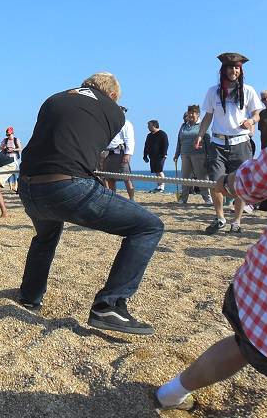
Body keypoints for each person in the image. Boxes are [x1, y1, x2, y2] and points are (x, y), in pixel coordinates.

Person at [155, 101, 267, 415]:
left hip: (257, 300)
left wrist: (227, 183)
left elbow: (252, 183)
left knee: (243, 345)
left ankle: (170, 393)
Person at [17, 72, 164, 335]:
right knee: (149, 227)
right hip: (66, 187)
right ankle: (109, 305)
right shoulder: (115, 113)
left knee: (46, 235)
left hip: (28, 189)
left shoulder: (53, 99)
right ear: (113, 95)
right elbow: (96, 149)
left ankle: (30, 296)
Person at [195, 52, 261, 235]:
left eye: (237, 68)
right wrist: (200, 135)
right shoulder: (213, 91)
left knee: (240, 183)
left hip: (241, 142)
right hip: (218, 143)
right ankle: (220, 218)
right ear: (223, 70)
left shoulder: (248, 90)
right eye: (230, 67)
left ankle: (237, 221)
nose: (234, 71)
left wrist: (251, 121)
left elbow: (257, 114)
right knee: (216, 182)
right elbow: (208, 116)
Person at [173, 105, 212, 204]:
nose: (190, 115)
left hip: (199, 155)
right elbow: (179, 140)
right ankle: (183, 198)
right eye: (189, 113)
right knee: (185, 177)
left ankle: (207, 198)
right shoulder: (184, 126)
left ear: (198, 114)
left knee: (202, 177)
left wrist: (209, 155)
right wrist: (177, 154)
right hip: (185, 154)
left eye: (192, 113)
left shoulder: (202, 125)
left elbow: (208, 140)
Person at [101, 108, 136, 201]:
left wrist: (128, 154)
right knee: (109, 177)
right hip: (108, 153)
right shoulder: (109, 122)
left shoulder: (126, 123)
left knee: (126, 177)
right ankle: (113, 198)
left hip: (120, 153)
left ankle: (132, 199)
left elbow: (130, 139)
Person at [143, 120, 169, 193]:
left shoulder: (162, 134)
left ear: (154, 126)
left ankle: (162, 187)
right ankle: (159, 186)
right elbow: (146, 146)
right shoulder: (149, 135)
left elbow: (166, 144)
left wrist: (164, 154)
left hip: (160, 155)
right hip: (152, 156)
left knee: (159, 170)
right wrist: (145, 155)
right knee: (156, 171)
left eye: (149, 126)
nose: (148, 127)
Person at [0, 127, 23, 192]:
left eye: (9, 134)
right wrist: (4, 147)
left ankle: (16, 186)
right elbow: (0, 148)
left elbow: (20, 148)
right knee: (8, 172)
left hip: (14, 157)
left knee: (15, 172)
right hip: (7, 157)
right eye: (7, 135)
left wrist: (13, 149)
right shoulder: (5, 140)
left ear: (12, 133)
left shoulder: (16, 140)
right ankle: (11, 187)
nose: (8, 136)